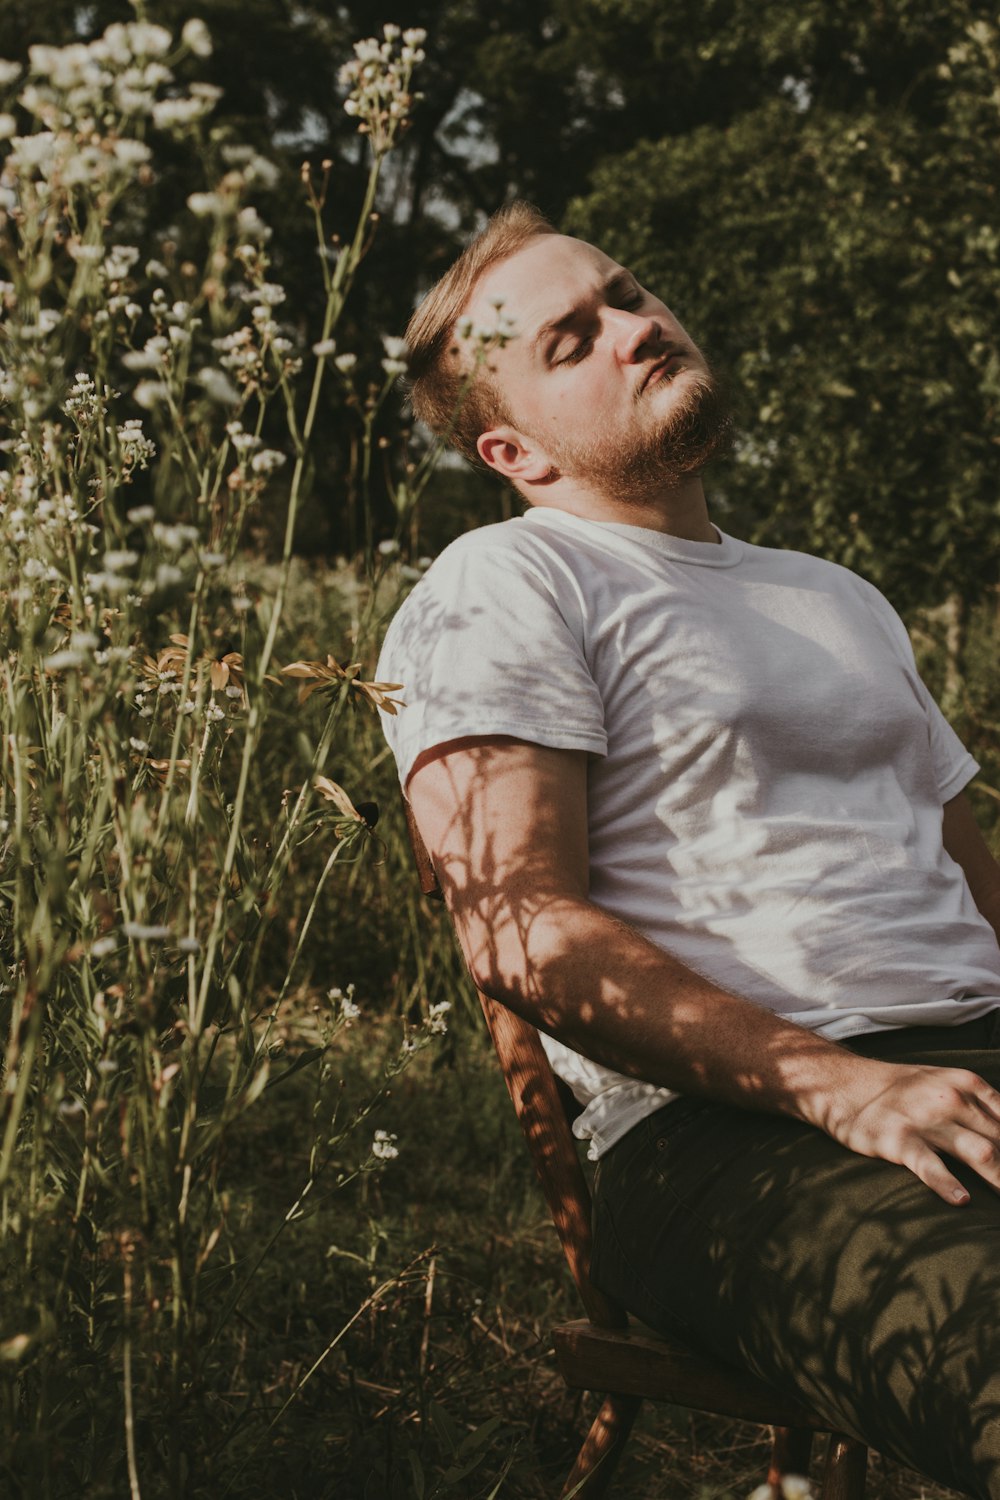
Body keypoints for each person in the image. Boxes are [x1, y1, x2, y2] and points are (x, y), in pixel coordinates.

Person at [376, 201, 1000, 1496]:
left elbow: (973, 868)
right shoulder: (509, 585)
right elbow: (521, 932)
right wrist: (843, 1086)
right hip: (726, 1134)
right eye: (572, 338)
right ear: (513, 448)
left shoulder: (836, 594)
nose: (637, 326)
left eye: (628, 293)